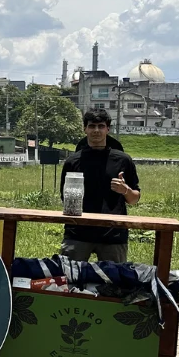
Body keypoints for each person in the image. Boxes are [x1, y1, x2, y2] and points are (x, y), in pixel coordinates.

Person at [59, 109, 141, 262]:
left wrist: (126, 190)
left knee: (114, 282)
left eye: (101, 126)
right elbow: (65, 198)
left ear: (108, 129)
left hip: (114, 233)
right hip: (77, 232)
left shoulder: (123, 160)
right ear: (85, 129)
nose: (96, 130)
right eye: (92, 126)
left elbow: (134, 199)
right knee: (69, 278)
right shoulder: (72, 162)